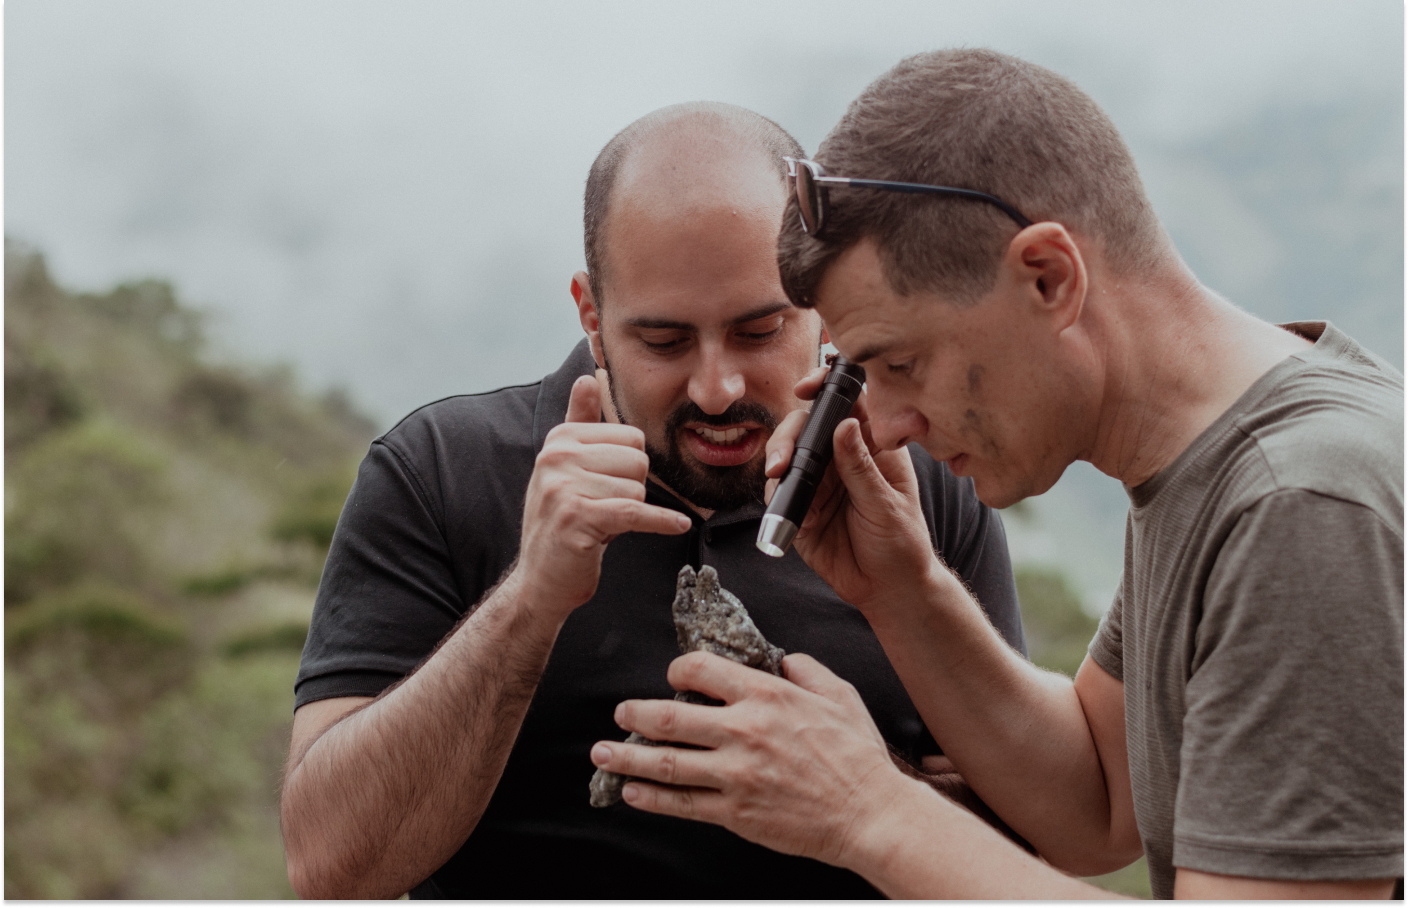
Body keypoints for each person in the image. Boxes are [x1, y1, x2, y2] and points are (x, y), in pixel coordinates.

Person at [588, 51, 1404, 899]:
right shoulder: (1202, 467)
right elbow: (1098, 803)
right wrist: (900, 586)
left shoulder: (1301, 504)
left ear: (1048, 277)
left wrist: (868, 810)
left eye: (901, 361)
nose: (891, 422)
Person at [279, 101, 1026, 899]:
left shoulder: (918, 484)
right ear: (592, 318)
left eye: (760, 330)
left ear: (820, 300)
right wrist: (529, 602)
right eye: (664, 343)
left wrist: (870, 787)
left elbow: (1032, 841)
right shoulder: (438, 472)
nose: (717, 388)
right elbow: (331, 867)